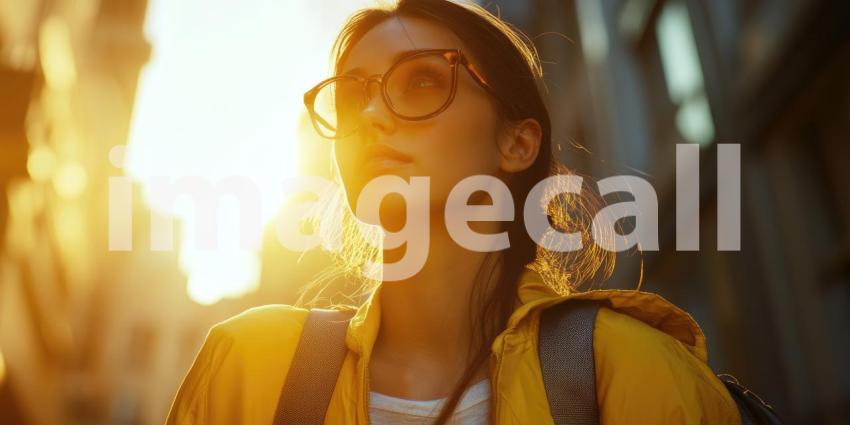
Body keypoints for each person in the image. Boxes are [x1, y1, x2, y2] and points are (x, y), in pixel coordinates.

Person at [165, 0, 741, 423]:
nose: (369, 116)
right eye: (351, 94)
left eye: (421, 81)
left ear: (517, 143)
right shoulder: (247, 368)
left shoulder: (638, 373)